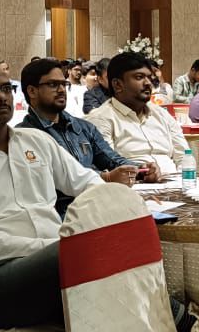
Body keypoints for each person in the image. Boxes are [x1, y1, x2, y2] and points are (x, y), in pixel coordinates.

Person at [0, 61, 193, 332]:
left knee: (114, 259)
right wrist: (65, 246)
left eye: (6, 89)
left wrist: (123, 208)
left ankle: (175, 320)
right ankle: (184, 323)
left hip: (59, 263)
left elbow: (89, 183)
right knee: (92, 256)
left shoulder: (35, 141)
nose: (1, 97)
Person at [16, 58, 156, 215]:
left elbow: (110, 158)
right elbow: (48, 184)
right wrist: (104, 178)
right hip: (61, 215)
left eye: (64, 84)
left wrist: (141, 170)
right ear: (32, 91)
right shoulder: (24, 136)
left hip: (98, 206)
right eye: (53, 85)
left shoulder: (82, 127)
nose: (61, 90)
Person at [87, 52, 190, 173]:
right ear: (117, 85)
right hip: (134, 182)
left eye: (149, 77)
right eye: (139, 77)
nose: (148, 83)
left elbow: (184, 157)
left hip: (174, 180)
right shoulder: (101, 119)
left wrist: (184, 181)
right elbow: (108, 167)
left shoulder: (162, 114)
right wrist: (142, 174)